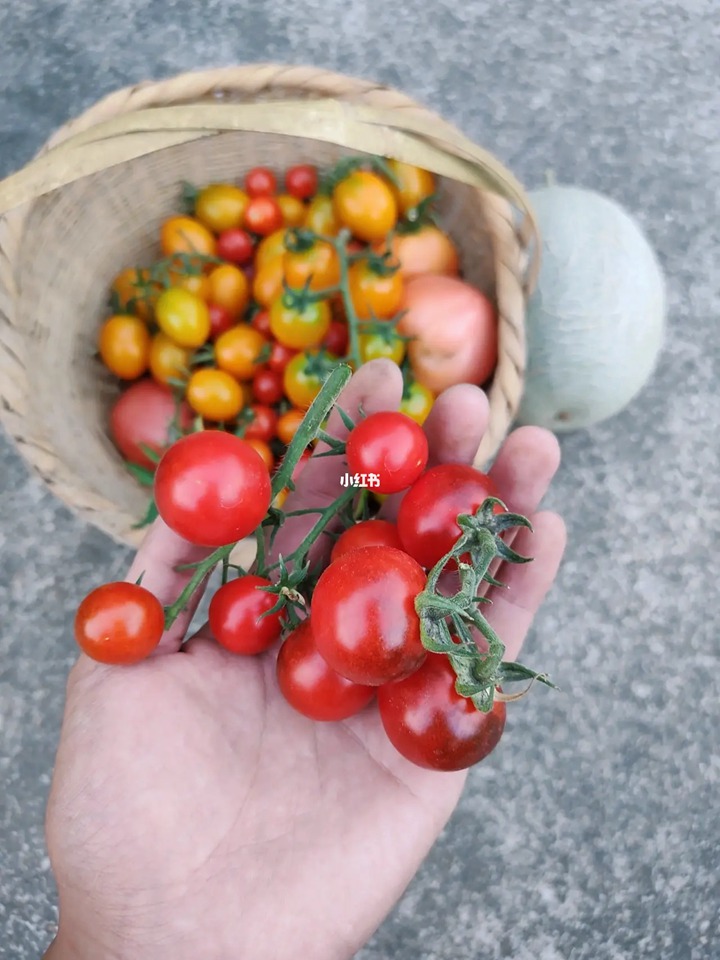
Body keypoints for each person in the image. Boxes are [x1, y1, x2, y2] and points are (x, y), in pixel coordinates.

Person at [42, 360, 566, 960]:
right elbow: (361, 483)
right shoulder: (368, 550)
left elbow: (363, 484)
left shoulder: (381, 577)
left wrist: (361, 483)